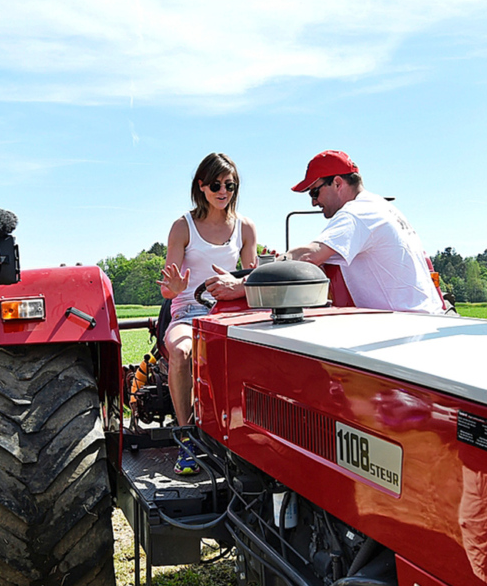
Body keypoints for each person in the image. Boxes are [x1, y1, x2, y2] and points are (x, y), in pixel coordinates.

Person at [206, 150, 443, 314]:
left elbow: (308, 256)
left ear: (338, 183)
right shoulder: (383, 207)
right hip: (421, 317)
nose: (313, 203)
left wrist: (242, 285)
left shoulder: (356, 214)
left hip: (400, 327)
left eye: (314, 192)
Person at [158, 153, 257, 475]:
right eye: (216, 184)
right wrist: (174, 287)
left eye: (230, 184)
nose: (223, 190)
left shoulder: (245, 227)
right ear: (201, 187)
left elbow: (250, 277)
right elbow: (168, 291)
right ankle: (187, 436)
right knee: (182, 350)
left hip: (230, 311)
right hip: (189, 308)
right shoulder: (182, 227)